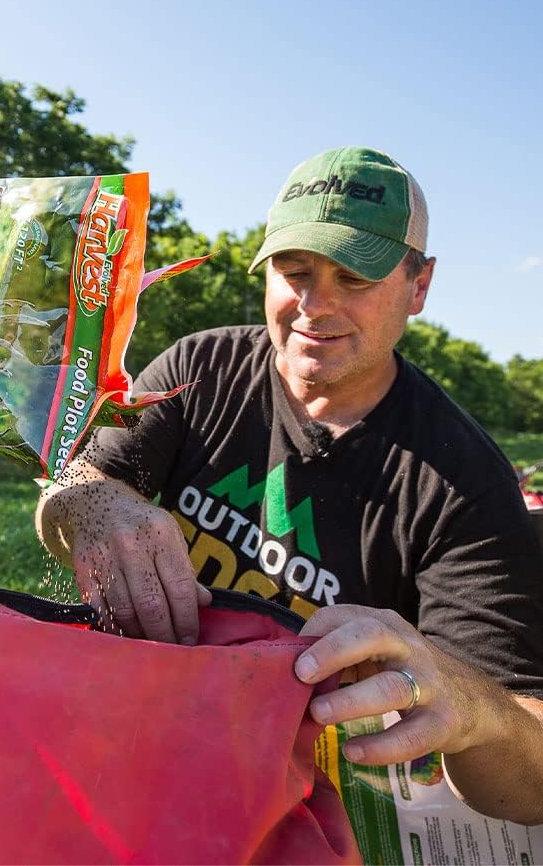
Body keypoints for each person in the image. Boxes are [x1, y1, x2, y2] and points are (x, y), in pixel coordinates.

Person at [37, 145, 543, 825]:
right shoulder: (201, 366)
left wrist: (470, 704)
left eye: (354, 278)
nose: (313, 304)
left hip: (297, 800)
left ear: (418, 286)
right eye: (292, 270)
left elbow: (526, 785)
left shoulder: (462, 480)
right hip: (138, 734)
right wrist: (92, 501)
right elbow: (72, 485)